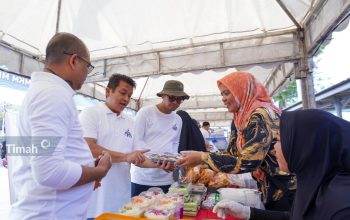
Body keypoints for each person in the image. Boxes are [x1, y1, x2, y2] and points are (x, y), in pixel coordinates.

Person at [9, 32, 112, 219]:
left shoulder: (46, 92)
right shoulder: (52, 95)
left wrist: (87, 166)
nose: (86, 74)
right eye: (87, 67)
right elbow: (48, 172)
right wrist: (99, 171)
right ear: (73, 61)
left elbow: (45, 157)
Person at [176, 71, 296, 211]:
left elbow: (248, 161)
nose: (223, 99)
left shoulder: (261, 115)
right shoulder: (240, 119)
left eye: (227, 93)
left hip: (284, 189)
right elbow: (232, 154)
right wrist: (200, 158)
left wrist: (202, 158)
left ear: (242, 91)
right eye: (222, 94)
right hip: (269, 188)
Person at [213, 109, 350, 219]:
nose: (273, 148)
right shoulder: (312, 182)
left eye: (278, 139)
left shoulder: (341, 208)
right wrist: (248, 213)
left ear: (304, 146)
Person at [79, 74, 150, 217]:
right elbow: (90, 148)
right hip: (95, 198)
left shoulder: (130, 121)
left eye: (129, 95)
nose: (126, 99)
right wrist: (125, 157)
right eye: (123, 93)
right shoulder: (91, 114)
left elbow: (137, 157)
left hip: (120, 197)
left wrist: (161, 164)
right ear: (108, 91)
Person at [131, 80, 189, 196]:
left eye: (179, 99)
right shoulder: (146, 113)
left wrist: (174, 162)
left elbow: (175, 144)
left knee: (166, 210)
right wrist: (156, 163)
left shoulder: (178, 119)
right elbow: (136, 143)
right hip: (143, 177)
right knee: (138, 211)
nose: (176, 102)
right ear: (163, 96)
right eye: (172, 98)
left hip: (167, 178)